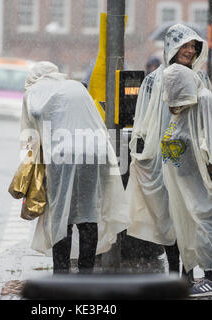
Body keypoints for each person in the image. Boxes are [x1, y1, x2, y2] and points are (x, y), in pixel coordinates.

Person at [21, 61, 129, 274]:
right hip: (94, 152)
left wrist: (28, 173)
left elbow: (29, 137)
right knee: (88, 213)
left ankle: (61, 274)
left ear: (33, 79)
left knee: (62, 215)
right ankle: (85, 272)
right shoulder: (76, 86)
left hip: (62, 156)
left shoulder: (34, 92)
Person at [126, 24, 212, 285]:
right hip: (164, 158)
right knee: (170, 217)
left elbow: (208, 117)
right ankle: (179, 275)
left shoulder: (201, 78)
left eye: (192, 47)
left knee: (194, 215)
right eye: (184, 46)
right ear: (172, 48)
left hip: (192, 160)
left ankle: (201, 272)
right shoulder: (153, 80)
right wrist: (141, 153)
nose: (188, 51)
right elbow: (142, 119)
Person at [161, 63, 212, 297]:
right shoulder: (183, 105)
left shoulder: (204, 100)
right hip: (187, 179)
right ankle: (197, 274)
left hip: (202, 179)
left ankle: (211, 278)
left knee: (207, 222)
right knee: (192, 225)